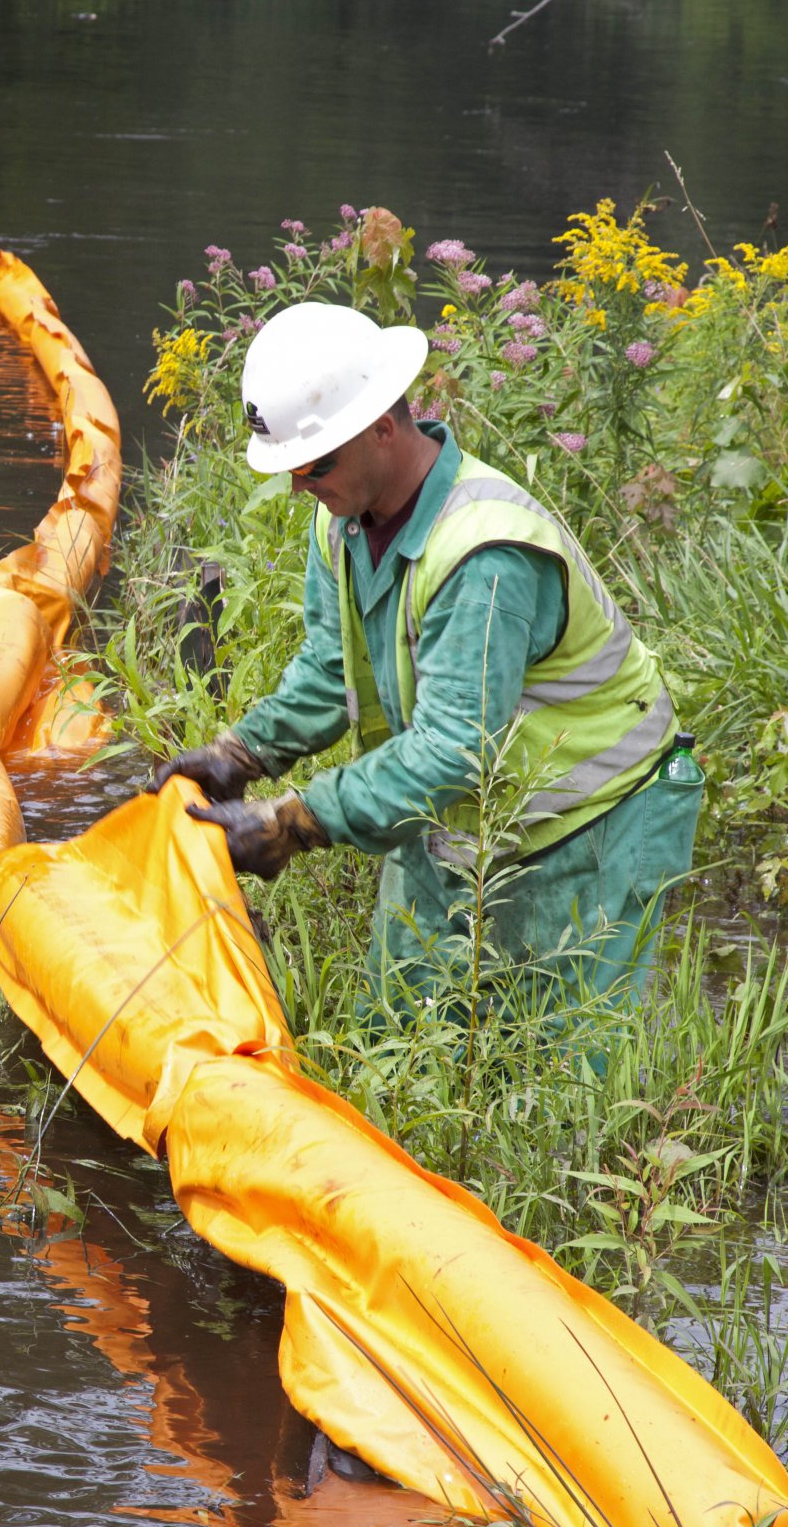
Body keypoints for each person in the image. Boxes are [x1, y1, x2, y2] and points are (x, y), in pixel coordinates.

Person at [151, 301, 702, 1013]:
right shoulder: (342, 518)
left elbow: (450, 752)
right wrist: (244, 753)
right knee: (398, 1029)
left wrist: (295, 821)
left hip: (594, 821)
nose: (296, 486)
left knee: (558, 1076)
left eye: (311, 463)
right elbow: (330, 667)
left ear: (382, 425)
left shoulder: (484, 555)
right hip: (460, 817)